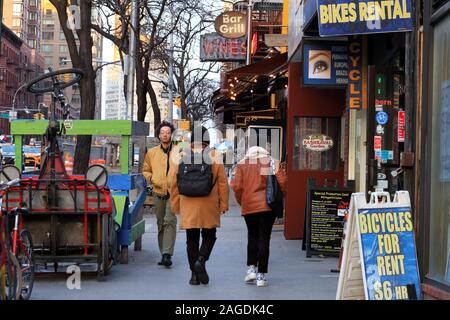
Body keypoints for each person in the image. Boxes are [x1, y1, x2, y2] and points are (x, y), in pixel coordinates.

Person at [169, 126, 229, 285]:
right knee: (210, 235)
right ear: (207, 139)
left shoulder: (181, 155)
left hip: (188, 202)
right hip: (208, 202)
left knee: (191, 239)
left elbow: (172, 183)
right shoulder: (214, 155)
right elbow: (222, 182)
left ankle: (194, 275)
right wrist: (223, 204)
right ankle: (201, 260)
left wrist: (175, 205)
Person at [231, 146, 287, 287]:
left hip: (249, 205)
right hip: (268, 206)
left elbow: (237, 187)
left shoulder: (243, 164)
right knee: (264, 238)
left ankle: (251, 269)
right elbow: (283, 182)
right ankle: (261, 276)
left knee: (252, 236)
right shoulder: (271, 162)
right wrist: (280, 198)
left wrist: (242, 201)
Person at [143, 121, 177, 267]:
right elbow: (145, 170)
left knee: (169, 221)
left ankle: (167, 254)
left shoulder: (178, 151)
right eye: (163, 132)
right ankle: (163, 251)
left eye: (168, 132)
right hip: (158, 191)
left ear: (171, 134)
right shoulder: (151, 153)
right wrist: (152, 178)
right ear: (158, 135)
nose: (165, 135)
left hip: (173, 192)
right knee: (160, 223)